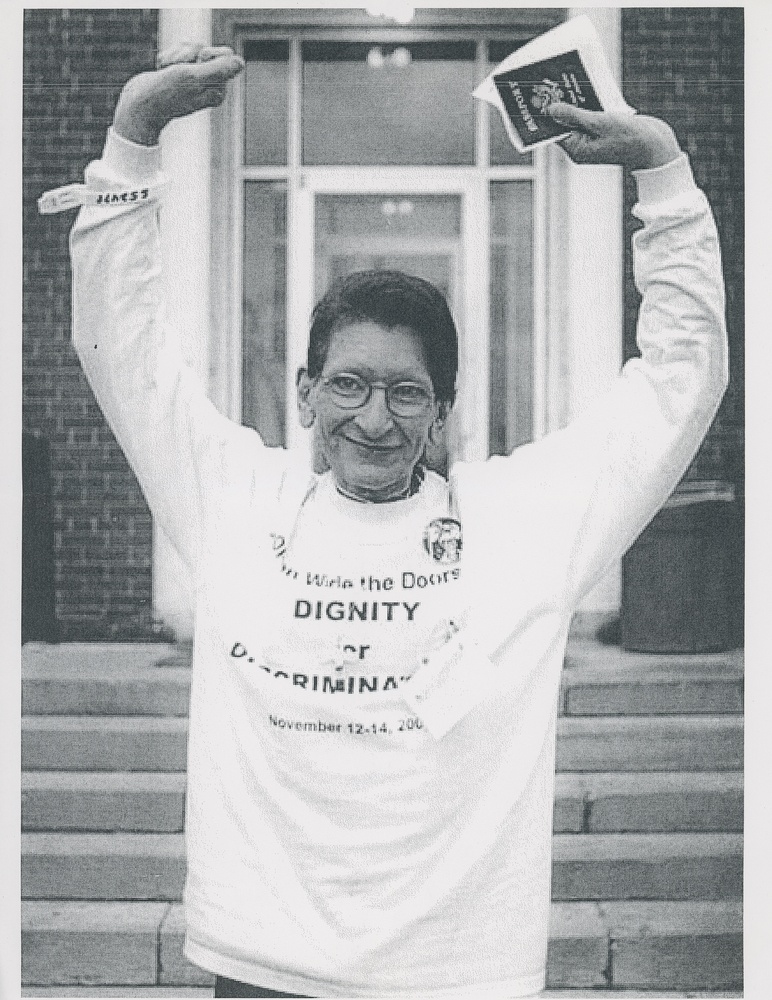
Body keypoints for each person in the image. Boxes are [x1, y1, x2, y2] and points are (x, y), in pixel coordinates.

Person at [66, 43, 727, 1000]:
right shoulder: (236, 504)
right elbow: (119, 348)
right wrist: (132, 141)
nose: (374, 420)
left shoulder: (518, 527)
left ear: (442, 410)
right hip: (262, 962)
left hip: (455, 974)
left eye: (406, 393)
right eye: (348, 385)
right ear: (304, 394)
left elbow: (679, 382)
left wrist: (662, 175)